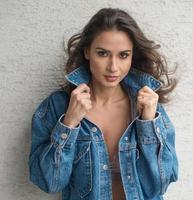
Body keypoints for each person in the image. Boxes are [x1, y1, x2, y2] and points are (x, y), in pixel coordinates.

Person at [28, 7, 178, 200]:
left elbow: (160, 184)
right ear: (87, 52)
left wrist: (148, 124)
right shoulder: (58, 107)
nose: (113, 67)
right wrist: (69, 123)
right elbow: (48, 182)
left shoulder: (148, 107)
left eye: (123, 55)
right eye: (103, 53)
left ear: (132, 56)